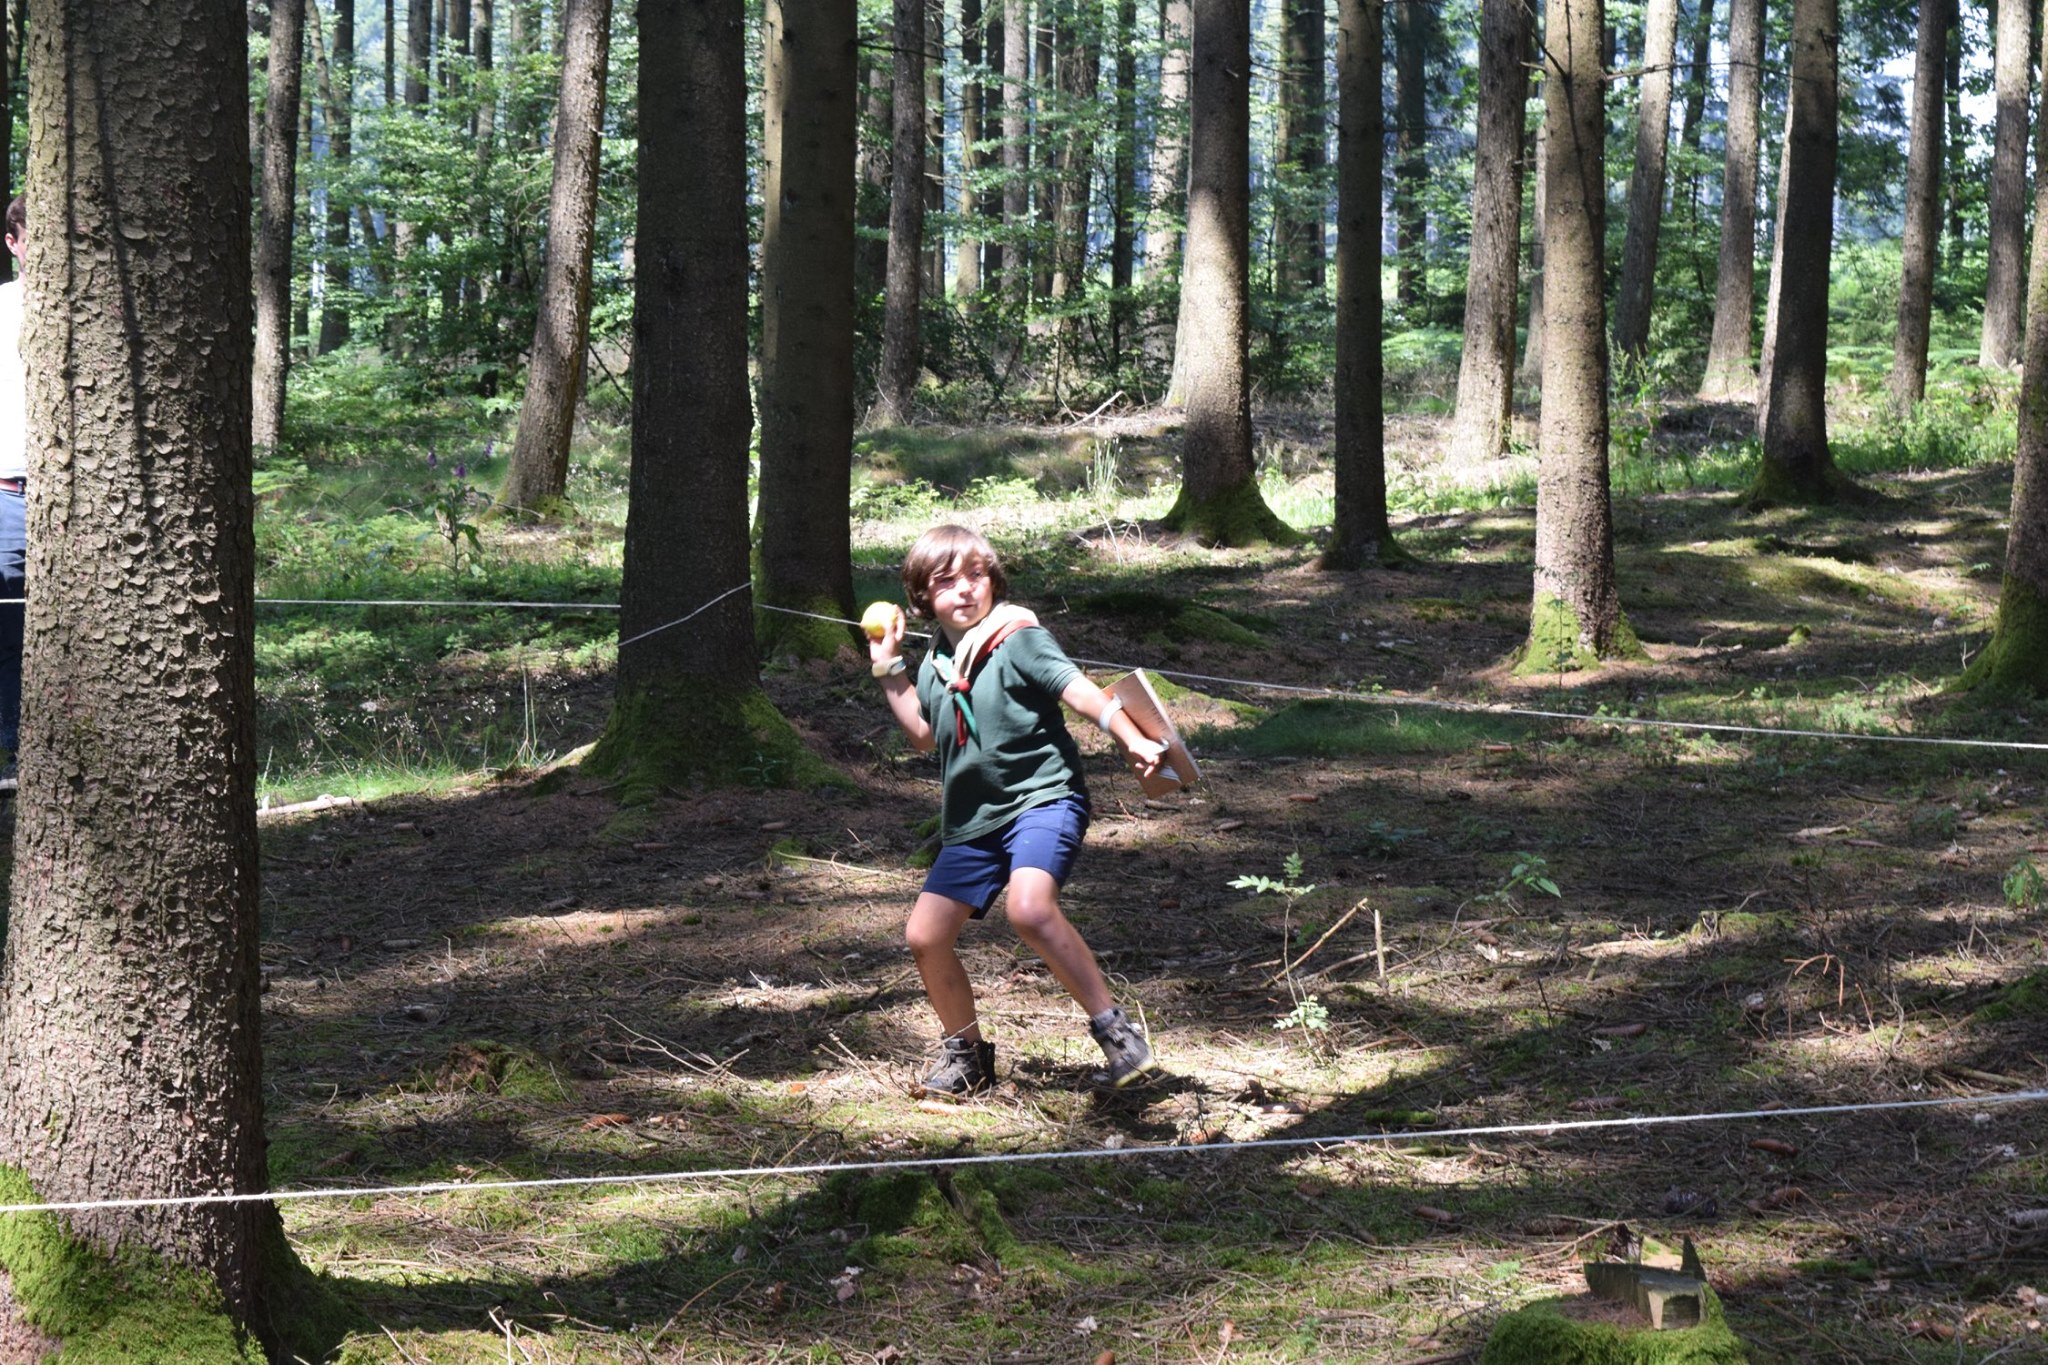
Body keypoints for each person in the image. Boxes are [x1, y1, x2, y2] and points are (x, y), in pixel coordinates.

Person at [870, 524, 1167, 1095]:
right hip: (973, 823)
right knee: (925, 935)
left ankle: (1117, 1032)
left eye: (976, 575)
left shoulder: (1018, 637)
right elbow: (924, 735)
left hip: (1043, 798)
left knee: (1030, 910)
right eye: (946, 580)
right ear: (922, 597)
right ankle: (967, 1056)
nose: (965, 589)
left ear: (994, 580)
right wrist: (888, 668)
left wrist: (1128, 736)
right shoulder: (936, 659)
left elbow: (1077, 689)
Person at [0, 195, 26, 788]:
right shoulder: (0, 312)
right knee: (7, 626)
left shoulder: (90, 310)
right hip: (5, 497)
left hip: (79, 496)